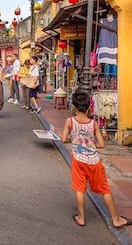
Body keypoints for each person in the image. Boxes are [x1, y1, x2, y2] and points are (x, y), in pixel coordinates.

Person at [61, 90, 132, 229]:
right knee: (105, 189)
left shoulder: (69, 121)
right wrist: (90, 144)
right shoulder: (93, 124)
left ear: (74, 107)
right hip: (94, 161)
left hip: (78, 160)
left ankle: (81, 218)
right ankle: (116, 219)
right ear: (88, 107)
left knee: (80, 188)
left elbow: (63, 139)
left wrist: (75, 141)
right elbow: (101, 144)